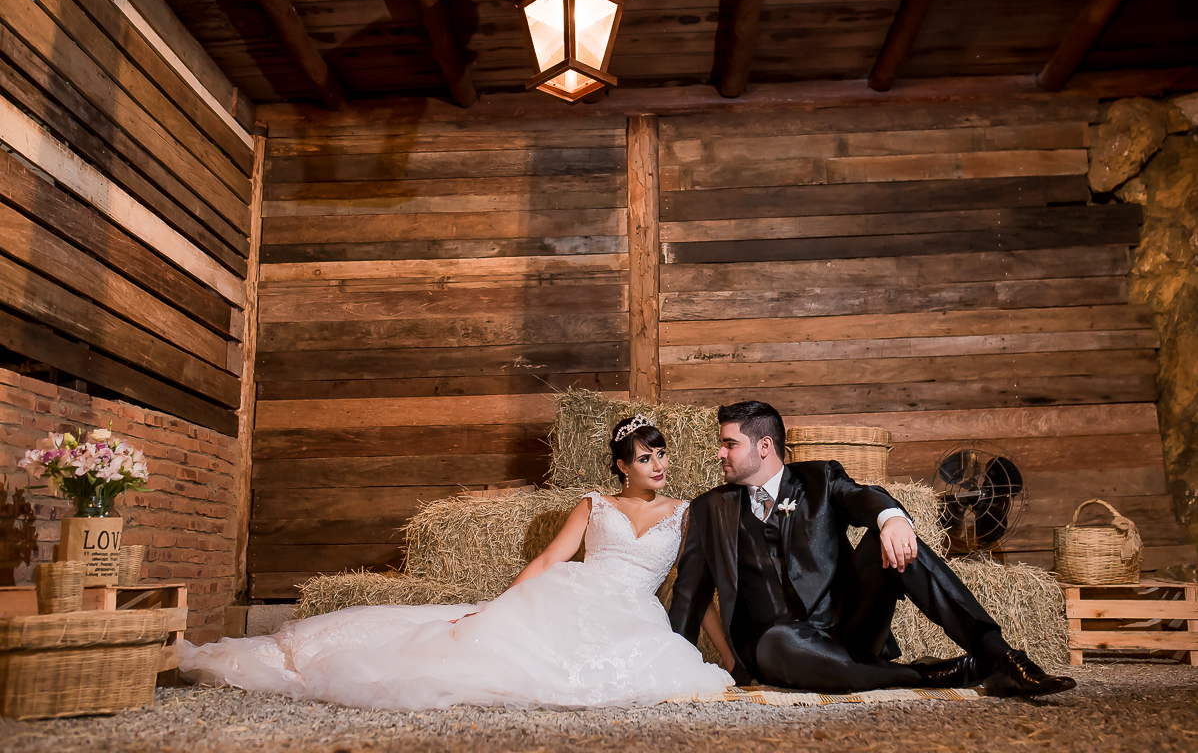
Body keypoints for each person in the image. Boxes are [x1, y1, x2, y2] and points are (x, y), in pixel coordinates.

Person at [178, 415, 733, 710]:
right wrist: (498, 607)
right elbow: (548, 559)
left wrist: (726, 652)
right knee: (483, 655)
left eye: (661, 453)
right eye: (644, 455)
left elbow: (693, 583)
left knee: (641, 675)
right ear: (622, 465)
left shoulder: (685, 513)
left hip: (634, 613)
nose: (657, 463)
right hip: (575, 594)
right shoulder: (594, 504)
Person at [669, 400, 1077, 698]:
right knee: (778, 642)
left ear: (763, 447)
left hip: (850, 627)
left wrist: (893, 519)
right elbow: (690, 594)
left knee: (898, 541)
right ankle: (933, 676)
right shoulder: (709, 509)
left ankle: (1000, 657)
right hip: (782, 648)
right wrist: (673, 666)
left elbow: (864, 497)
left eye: (729, 443)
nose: (719, 453)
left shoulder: (820, 478)